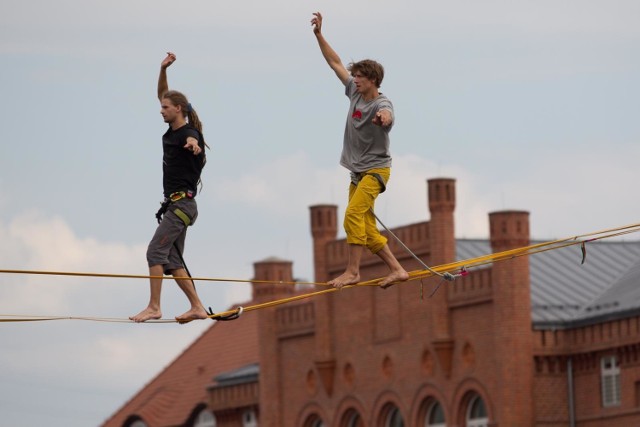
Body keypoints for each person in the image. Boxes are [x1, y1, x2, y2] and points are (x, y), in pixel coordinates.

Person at [311, 12, 409, 289]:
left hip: (376, 171)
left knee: (352, 216)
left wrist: (385, 120)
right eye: (353, 76)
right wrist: (319, 35)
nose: (354, 80)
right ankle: (398, 269)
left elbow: (387, 113)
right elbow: (334, 62)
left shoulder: (381, 104)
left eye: (359, 77)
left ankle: (353, 271)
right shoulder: (354, 93)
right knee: (365, 229)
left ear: (373, 80)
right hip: (357, 173)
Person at [130, 52, 209, 323]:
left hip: (181, 206)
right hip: (177, 206)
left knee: (155, 252)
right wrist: (162, 69)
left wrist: (194, 146)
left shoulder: (188, 133)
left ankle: (154, 306)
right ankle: (197, 306)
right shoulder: (174, 128)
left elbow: (193, 140)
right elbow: (163, 92)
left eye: (165, 108)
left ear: (178, 109)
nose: (161, 110)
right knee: (172, 261)